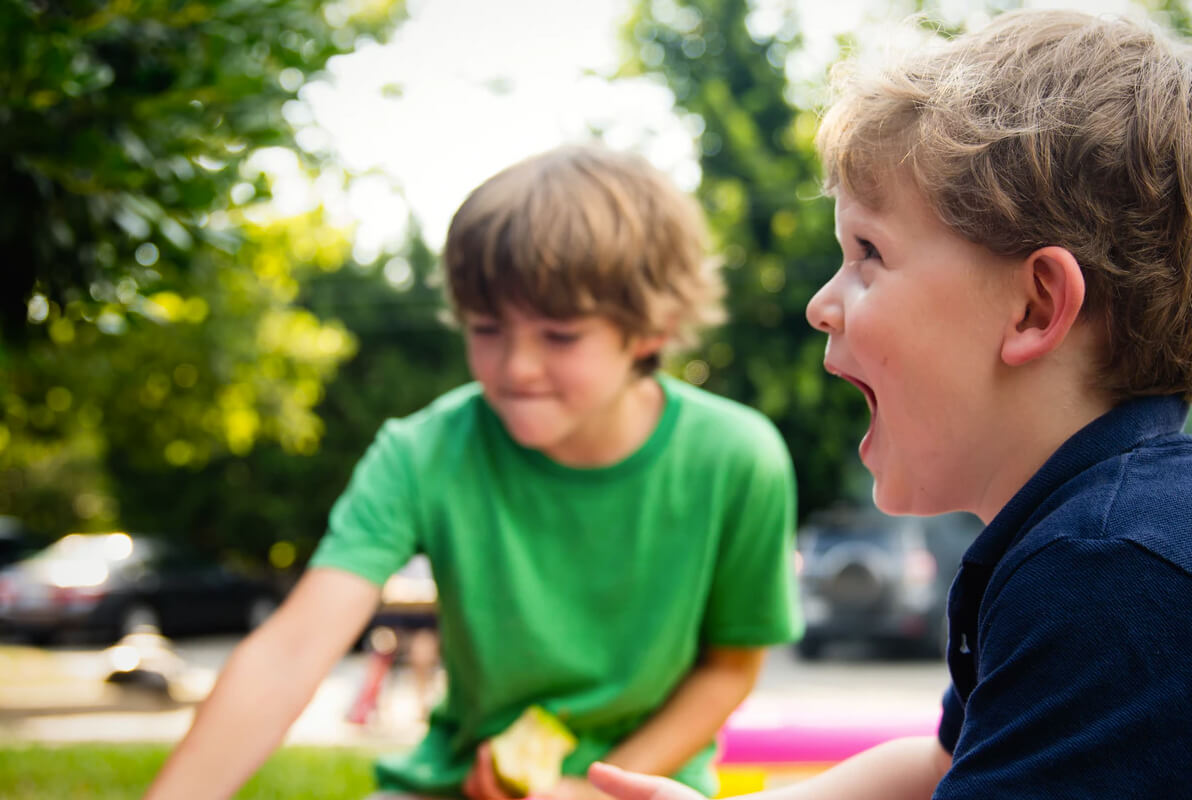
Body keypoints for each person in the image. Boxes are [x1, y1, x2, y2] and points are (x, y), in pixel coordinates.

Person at [586, 9, 1192, 800]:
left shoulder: (1104, 575)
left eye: (868, 254)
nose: (819, 304)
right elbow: (944, 765)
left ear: (1037, 307)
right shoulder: (1077, 535)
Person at [143, 144, 801, 800]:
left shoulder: (738, 457)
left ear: (654, 327)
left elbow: (730, 666)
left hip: (644, 787)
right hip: (454, 787)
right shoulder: (422, 452)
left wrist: (593, 790)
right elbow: (291, 652)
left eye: (560, 335)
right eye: (486, 328)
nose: (515, 367)